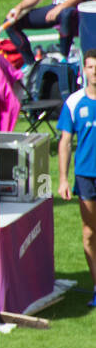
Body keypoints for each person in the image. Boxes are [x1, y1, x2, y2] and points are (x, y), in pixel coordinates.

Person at [57, 49, 96, 306]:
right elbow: (65, 141)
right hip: (85, 176)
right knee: (90, 232)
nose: (95, 71)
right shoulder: (74, 102)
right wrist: (62, 178)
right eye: (91, 67)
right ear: (84, 69)